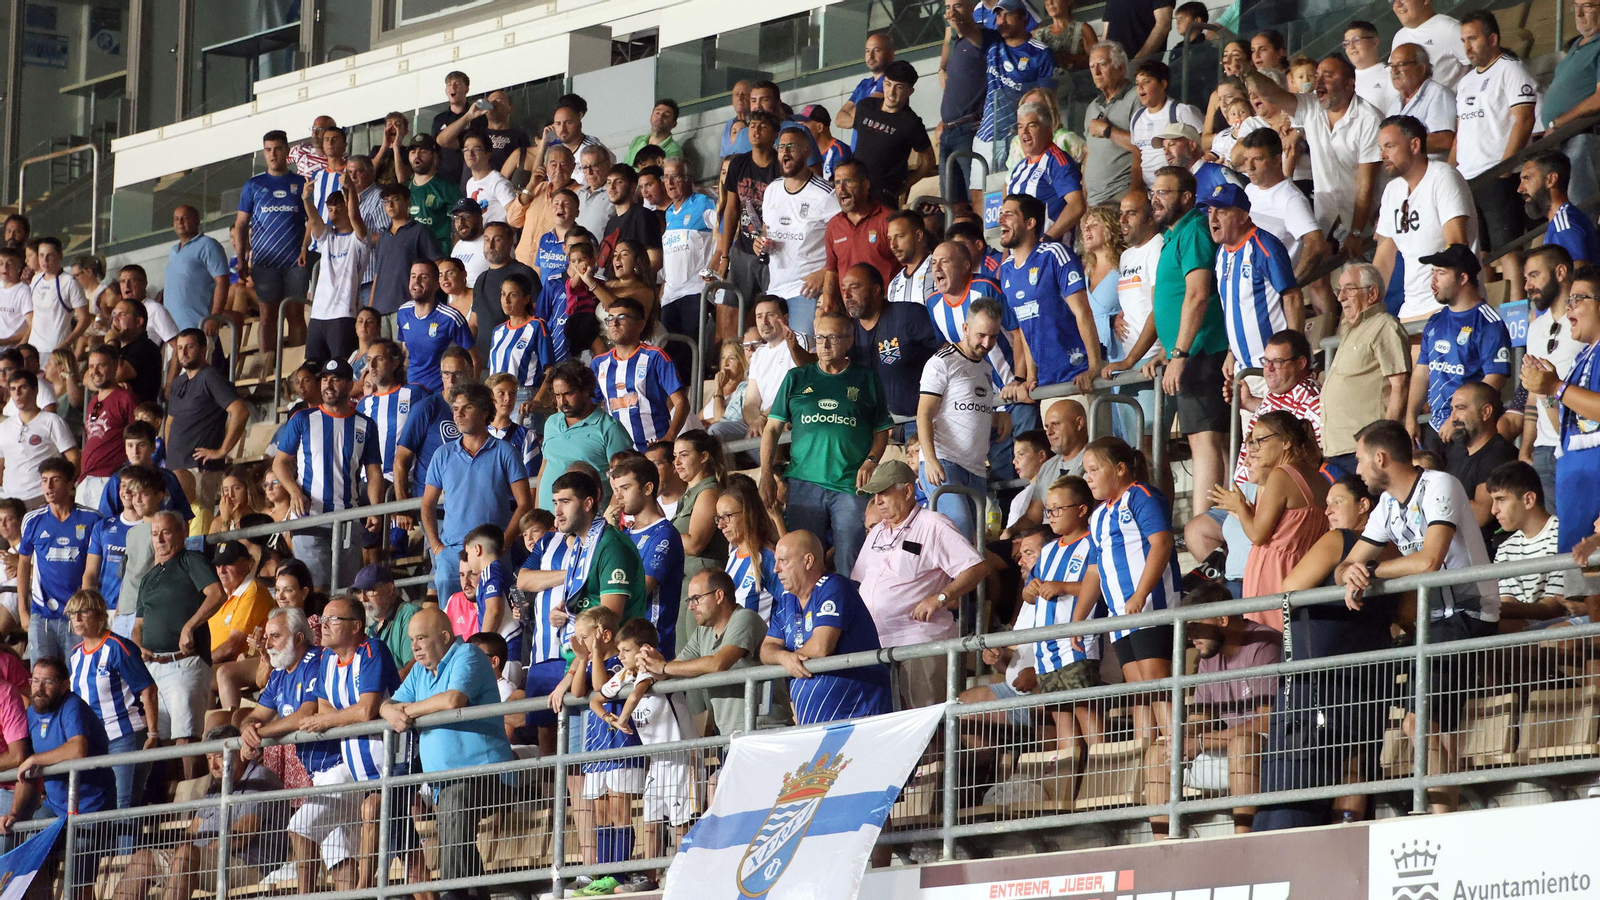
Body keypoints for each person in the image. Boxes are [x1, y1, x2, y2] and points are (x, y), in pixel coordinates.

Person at [1336, 418, 1496, 813]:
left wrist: (1370, 572)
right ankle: (1446, 814)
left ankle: (1441, 816)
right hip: (1433, 619)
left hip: (1468, 611)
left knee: (1416, 724)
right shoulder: (1387, 505)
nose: (1356, 470)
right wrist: (1349, 573)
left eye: (1359, 460)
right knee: (1427, 727)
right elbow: (1346, 564)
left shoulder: (1440, 485)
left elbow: (1429, 561)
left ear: (1380, 458)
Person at [380, 607, 514, 898]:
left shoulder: (468, 655)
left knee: (454, 805)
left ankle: (451, 895)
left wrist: (409, 713)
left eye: (421, 638)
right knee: (453, 818)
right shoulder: (419, 671)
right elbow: (389, 704)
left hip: (488, 775)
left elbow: (454, 699)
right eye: (411, 639)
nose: (414, 646)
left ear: (444, 636)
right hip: (448, 784)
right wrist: (389, 711)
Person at [299, 595, 419, 890]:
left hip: (395, 762)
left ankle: (364, 890)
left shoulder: (372, 650)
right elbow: (325, 706)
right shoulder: (326, 657)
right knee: (410, 854)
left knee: (372, 813)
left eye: (332, 620)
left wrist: (328, 721)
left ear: (355, 626)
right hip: (362, 772)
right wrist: (335, 717)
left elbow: (366, 710)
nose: (323, 626)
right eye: (323, 619)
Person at [760, 312, 891, 578]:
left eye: (833, 337)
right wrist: (765, 472)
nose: (825, 345)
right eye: (820, 337)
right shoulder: (797, 378)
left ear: (849, 340)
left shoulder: (867, 379)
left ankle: (848, 618)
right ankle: (803, 618)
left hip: (850, 486)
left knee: (851, 565)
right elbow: (772, 428)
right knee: (802, 564)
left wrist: (871, 461)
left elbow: (882, 429)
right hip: (804, 482)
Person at [1144, 581, 1278, 838]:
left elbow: (1267, 722)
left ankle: (1244, 839)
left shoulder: (1263, 643)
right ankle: (1161, 845)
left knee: (1243, 744)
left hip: (1269, 750)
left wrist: (1203, 742)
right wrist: (1183, 739)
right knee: (1158, 752)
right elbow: (1199, 717)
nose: (1190, 636)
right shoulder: (1209, 654)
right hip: (1227, 748)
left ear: (1223, 620)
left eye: (1196, 627)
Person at [853, 461, 986, 709]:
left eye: (884, 492)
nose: (878, 500)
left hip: (919, 643)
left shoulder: (934, 524)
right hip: (877, 644)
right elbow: (859, 581)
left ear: (906, 491)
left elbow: (975, 567)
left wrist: (940, 598)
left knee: (929, 726)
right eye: (875, 494)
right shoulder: (876, 533)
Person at [237, 606, 348, 894]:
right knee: (340, 856)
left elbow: (305, 715)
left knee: (300, 827)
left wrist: (257, 735)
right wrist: (248, 728)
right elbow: (256, 714)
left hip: (342, 764)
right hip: (319, 773)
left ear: (299, 638)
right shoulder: (278, 674)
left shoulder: (315, 660)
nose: (268, 643)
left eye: (275, 636)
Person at [110, 723, 287, 900]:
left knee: (186, 855)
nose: (214, 766)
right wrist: (178, 852)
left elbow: (241, 834)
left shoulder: (260, 778)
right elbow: (192, 830)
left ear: (240, 753)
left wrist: (191, 853)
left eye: (219, 756)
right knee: (144, 858)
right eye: (209, 759)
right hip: (198, 861)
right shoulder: (215, 788)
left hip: (248, 866)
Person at [1081, 437, 1182, 743]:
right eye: (1086, 472)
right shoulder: (1098, 515)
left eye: (1094, 469)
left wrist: (1140, 593)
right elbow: (1095, 570)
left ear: (1120, 468)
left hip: (1152, 607)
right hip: (1121, 616)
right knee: (1139, 694)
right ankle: (1146, 766)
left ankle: (1178, 754)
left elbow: (1161, 543)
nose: (1088, 477)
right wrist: (1078, 618)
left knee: (1157, 686)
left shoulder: (1141, 495)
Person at [1146, 165, 1229, 515]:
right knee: (1214, 440)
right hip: (1187, 352)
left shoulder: (1193, 229)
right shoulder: (1173, 235)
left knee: (1204, 439)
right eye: (1154, 192)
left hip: (1201, 351)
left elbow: (1196, 295)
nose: (1155, 199)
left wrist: (1179, 353)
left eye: (1164, 192)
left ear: (1187, 198)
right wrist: (1168, 351)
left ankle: (1205, 524)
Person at [2, 656, 115, 895]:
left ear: (64, 685)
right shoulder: (32, 713)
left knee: (77, 881)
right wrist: (14, 813)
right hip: (54, 807)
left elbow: (77, 749)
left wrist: (34, 759)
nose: (39, 688)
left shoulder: (72, 705)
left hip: (90, 808)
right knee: (30, 863)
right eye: (35, 680)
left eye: (48, 682)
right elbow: (26, 776)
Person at [271, 359, 384, 590]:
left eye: (335, 379)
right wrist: (294, 492)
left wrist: (375, 507)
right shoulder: (302, 419)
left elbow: (374, 473)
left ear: (349, 383)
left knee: (346, 592)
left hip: (348, 520)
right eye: (324, 379)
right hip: (309, 518)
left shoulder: (365, 425)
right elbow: (280, 462)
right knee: (316, 588)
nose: (328, 385)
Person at [762, 530, 892, 724]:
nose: (775, 569)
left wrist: (791, 657)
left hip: (858, 716)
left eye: (784, 561)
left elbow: (821, 647)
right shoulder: (786, 600)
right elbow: (766, 649)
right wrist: (783, 657)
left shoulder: (834, 586)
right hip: (816, 724)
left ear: (808, 561)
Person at [421, 382, 534, 604]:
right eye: (455, 408)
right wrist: (437, 548)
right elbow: (427, 504)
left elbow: (524, 503)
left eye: (467, 407)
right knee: (453, 623)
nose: (459, 414)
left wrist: (504, 543)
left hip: (493, 553)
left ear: (484, 411)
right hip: (452, 554)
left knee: (498, 620)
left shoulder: (505, 451)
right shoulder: (442, 454)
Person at [1214, 410, 1330, 617]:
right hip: (1299, 572)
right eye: (1252, 442)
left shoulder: (1281, 475)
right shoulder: (1318, 478)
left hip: (1272, 574)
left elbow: (1258, 536)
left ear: (1286, 442)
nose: (1254, 449)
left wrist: (1239, 505)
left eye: (1261, 440)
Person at [134, 510, 223, 777]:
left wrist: (189, 626)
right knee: (154, 738)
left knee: (186, 738)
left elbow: (216, 593)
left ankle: (193, 805)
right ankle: (166, 803)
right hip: (152, 668)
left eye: (166, 532)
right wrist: (138, 647)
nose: (159, 539)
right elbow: (138, 625)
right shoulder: (148, 577)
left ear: (182, 532)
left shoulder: (191, 560)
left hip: (184, 663)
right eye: (154, 533)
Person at [1454, 11, 1538, 284]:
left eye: (1473, 38)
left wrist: (1504, 169)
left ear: (1492, 38)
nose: (1467, 46)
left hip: (1497, 174)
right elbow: (1460, 131)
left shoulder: (1510, 69)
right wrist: (1448, 173)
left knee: (1508, 248)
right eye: (1464, 40)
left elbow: (1524, 119)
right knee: (1479, 253)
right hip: (1467, 179)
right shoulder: (1465, 82)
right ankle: (1490, 308)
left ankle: (1515, 309)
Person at [995, 193, 1102, 407]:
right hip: (1045, 383)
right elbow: (1025, 327)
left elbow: (1083, 312)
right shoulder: (1006, 270)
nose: (1000, 220)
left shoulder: (1054, 254)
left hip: (1077, 376)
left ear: (1030, 223)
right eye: (1000, 214)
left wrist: (1094, 366)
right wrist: (1031, 377)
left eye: (1009, 214)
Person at [919, 298, 1009, 540]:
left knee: (974, 543)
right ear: (965, 329)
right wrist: (930, 459)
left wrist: (1000, 416)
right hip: (945, 463)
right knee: (960, 533)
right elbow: (924, 413)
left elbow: (971, 410)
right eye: (981, 335)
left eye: (993, 336)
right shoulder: (942, 362)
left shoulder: (985, 369)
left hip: (976, 469)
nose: (987, 343)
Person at [1374, 115, 1478, 321]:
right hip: (1411, 309)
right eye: (1381, 148)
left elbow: (1457, 245)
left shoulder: (1443, 177)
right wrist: (1367, 297)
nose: (1383, 155)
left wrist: (1447, 305)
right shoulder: (1392, 190)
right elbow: (1385, 255)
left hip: (1449, 306)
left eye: (1390, 146)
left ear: (1414, 145)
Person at [1406, 245, 1510, 445]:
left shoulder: (1488, 322)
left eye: (1441, 273)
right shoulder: (1435, 321)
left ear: (1463, 279)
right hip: (1434, 426)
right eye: (1433, 273)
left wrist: (1456, 419)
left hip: (1468, 429)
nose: (1433, 281)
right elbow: (1422, 373)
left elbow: (1494, 379)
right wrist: (1411, 417)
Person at [65, 588, 156, 815]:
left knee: (123, 806)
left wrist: (153, 733)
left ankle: (127, 851)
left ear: (98, 615)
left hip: (123, 736)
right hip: (94, 742)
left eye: (82, 612)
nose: (76, 619)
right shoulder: (75, 655)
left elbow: (148, 688)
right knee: (101, 807)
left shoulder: (118, 647)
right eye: (72, 613)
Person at [1202, 184, 1304, 378]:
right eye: (1209, 211)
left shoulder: (1264, 247)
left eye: (1221, 212)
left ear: (1242, 216)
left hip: (1275, 369)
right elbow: (1234, 307)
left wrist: (1292, 355)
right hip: (1244, 369)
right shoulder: (1222, 254)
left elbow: (1292, 297)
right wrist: (1232, 352)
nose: (1213, 219)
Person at [1322, 262, 1412, 472]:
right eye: (1339, 289)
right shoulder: (1350, 329)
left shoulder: (1384, 325)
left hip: (1364, 451)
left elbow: (1400, 385)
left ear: (1372, 293)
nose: (1340, 297)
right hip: (1338, 450)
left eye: (1349, 289)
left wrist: (1385, 441)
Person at [1518, 245, 1587, 501]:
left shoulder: (1587, 321)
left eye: (1534, 276)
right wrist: (1526, 447)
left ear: (1560, 272)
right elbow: (1532, 392)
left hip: (1581, 444)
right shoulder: (1535, 329)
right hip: (1544, 450)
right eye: (1525, 278)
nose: (1527, 285)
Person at [758, 128, 838, 342]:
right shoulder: (772, 190)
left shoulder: (824, 194)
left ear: (806, 151)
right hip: (775, 290)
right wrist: (762, 242)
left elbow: (843, 240)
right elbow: (767, 228)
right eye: (781, 147)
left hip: (806, 291)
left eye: (791, 146)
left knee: (803, 351)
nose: (785, 152)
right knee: (777, 358)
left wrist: (824, 273)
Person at [236, 130, 310, 359]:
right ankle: (267, 366)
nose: (273, 154)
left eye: (278, 149)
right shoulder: (253, 185)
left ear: (287, 151)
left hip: (295, 261)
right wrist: (241, 257)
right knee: (267, 316)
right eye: (268, 150)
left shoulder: (300, 182)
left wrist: (305, 247)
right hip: (264, 262)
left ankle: (298, 366)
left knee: (295, 313)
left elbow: (312, 220)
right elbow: (240, 224)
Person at [166, 329, 251, 512]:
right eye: (180, 348)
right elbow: (170, 420)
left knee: (198, 525)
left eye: (189, 347)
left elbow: (240, 412)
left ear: (203, 350)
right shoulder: (178, 382)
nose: (184, 352)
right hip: (175, 468)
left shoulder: (210, 377)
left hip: (200, 469)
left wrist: (221, 451)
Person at [844, 262, 941, 420]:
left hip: (921, 420)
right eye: (843, 289)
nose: (847, 295)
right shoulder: (848, 331)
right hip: (877, 427)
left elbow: (948, 356)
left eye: (854, 288)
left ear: (876, 290)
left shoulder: (908, 315)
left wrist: (929, 422)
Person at [610, 457, 685, 656]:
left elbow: (643, 587)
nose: (619, 497)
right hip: (622, 646)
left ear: (648, 488)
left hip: (651, 645)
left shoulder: (664, 533)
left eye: (625, 488)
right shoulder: (622, 535)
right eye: (616, 490)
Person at [535, 361, 634, 511]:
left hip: (587, 525)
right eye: (557, 395)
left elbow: (624, 482)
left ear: (586, 390)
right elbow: (544, 469)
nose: (562, 402)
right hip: (548, 525)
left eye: (568, 393)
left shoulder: (610, 429)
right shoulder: (551, 422)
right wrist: (538, 514)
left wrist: (608, 519)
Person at [591, 297, 686, 452]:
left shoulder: (655, 357)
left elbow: (681, 402)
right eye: (610, 319)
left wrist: (669, 438)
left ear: (640, 325)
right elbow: (593, 404)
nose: (614, 323)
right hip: (619, 451)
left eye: (622, 318)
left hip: (654, 448)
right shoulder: (599, 363)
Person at [1483, 461, 1571, 623]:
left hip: (1561, 631)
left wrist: (1483, 606)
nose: (1493, 510)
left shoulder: (1564, 537)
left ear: (1529, 500)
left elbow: (1554, 609)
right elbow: (1508, 606)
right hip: (1526, 633)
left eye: (1501, 499)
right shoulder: (1505, 549)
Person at [1235, 129, 1327, 270]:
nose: (1249, 167)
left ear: (1278, 159)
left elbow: (1316, 244)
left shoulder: (1291, 199)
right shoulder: (1250, 189)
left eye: (1258, 159)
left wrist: (1293, 283)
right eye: (1246, 159)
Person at [1442, 381, 1519, 547]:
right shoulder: (1457, 453)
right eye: (1452, 409)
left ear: (1486, 412)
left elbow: (1480, 515)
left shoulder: (1500, 453)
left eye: (1461, 408)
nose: (1453, 417)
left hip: (1487, 554)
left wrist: (1437, 497)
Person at [715, 109, 780, 307]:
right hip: (742, 248)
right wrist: (725, 255)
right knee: (731, 310)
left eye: (762, 127)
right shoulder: (738, 164)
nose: (756, 130)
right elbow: (731, 209)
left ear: (775, 133)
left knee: (772, 308)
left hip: (773, 251)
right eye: (752, 126)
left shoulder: (780, 167)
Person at [848, 60, 935, 206]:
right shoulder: (865, 107)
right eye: (888, 84)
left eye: (899, 87)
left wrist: (905, 186)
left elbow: (929, 160)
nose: (891, 92)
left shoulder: (911, 123)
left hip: (883, 196)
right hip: (855, 190)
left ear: (909, 91)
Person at [301, 186, 368, 362]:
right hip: (318, 314)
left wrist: (350, 190)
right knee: (312, 368)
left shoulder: (360, 239)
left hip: (344, 314)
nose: (334, 214)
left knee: (341, 368)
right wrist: (306, 199)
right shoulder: (327, 236)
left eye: (340, 208)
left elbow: (355, 217)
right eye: (330, 209)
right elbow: (314, 222)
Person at [823, 160, 900, 311]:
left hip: (886, 308)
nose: (841, 189)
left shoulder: (888, 220)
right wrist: (828, 303)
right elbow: (832, 271)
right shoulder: (834, 226)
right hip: (851, 311)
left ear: (866, 185)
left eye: (848, 181)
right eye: (837, 183)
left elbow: (908, 265)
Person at [1008, 101, 1088, 243]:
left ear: (1048, 128)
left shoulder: (1056, 161)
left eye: (1031, 125)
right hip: (1020, 258)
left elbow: (1076, 205)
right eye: (1020, 127)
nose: (1024, 132)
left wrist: (1046, 239)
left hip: (1049, 255)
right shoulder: (1020, 167)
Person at [367, 181, 444, 317]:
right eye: (386, 201)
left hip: (408, 306)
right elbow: (377, 276)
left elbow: (437, 266)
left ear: (407, 201)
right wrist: (371, 309)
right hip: (380, 309)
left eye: (395, 199)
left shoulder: (420, 231)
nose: (390, 205)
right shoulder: (383, 237)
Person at [398, 259, 475, 393]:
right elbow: (406, 352)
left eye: (424, 277)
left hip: (441, 394)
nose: (417, 281)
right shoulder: (403, 312)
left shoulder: (451, 318)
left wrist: (467, 394)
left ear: (436, 284)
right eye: (413, 276)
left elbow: (473, 359)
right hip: (412, 391)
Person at [0, 371, 77, 505]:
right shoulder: (4, 426)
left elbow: (74, 458)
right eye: (13, 389)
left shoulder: (52, 421)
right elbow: (1, 464)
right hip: (9, 498)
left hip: (40, 497)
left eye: (22, 388)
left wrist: (62, 490)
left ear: (35, 390)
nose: (17, 393)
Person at [1129, 61, 1205, 192]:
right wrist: (1135, 190)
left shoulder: (1181, 111)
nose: (1140, 87)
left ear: (1163, 84)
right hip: (1150, 191)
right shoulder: (1136, 117)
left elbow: (1204, 145)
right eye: (1137, 84)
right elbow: (1137, 158)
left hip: (1179, 188)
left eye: (1146, 82)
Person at [1084, 42, 1141, 207]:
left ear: (1121, 68)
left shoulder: (1136, 97)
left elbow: (1145, 144)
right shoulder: (1092, 107)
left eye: (1102, 64)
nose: (1096, 72)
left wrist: (1108, 130)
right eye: (1092, 66)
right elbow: (1089, 154)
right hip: (1093, 201)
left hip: (1121, 194)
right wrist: (1085, 200)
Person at [669, 430, 727, 592]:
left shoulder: (708, 492)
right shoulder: (689, 494)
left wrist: (659, 531)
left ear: (703, 457)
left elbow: (695, 544)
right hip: (686, 579)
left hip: (703, 583)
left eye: (684, 455)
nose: (677, 462)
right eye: (675, 456)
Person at [1521, 152, 1600, 267]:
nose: (1520, 188)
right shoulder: (1562, 221)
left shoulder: (1564, 226)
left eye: (1527, 178)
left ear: (1551, 180)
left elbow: (1579, 277)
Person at [164, 205, 231, 334]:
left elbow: (222, 281)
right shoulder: (173, 251)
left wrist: (215, 317)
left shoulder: (208, 245)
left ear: (197, 221)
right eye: (176, 219)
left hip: (199, 327)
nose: (180, 222)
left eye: (185, 218)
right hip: (174, 330)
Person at [208, 540, 272, 672]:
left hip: (240, 666)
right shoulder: (220, 593)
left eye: (228, 563)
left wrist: (200, 663)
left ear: (245, 564)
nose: (221, 570)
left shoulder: (252, 591)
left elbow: (232, 646)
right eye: (218, 565)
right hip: (214, 663)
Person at [472, 222, 539, 346]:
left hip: (514, 355)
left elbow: (537, 316)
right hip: (483, 359)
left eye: (497, 240)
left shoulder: (524, 274)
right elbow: (474, 323)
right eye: (487, 240)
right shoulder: (481, 278)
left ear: (510, 242)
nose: (490, 245)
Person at [1386, 43, 1456, 161]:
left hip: (1433, 174)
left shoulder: (1438, 94)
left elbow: (1444, 140)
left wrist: (1402, 143)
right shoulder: (1394, 105)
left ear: (1421, 69)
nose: (1394, 71)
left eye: (1401, 65)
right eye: (1391, 66)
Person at [596, 164, 663, 273]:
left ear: (632, 187)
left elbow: (654, 258)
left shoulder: (642, 215)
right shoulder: (611, 223)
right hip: (611, 286)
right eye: (608, 182)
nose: (612, 187)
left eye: (619, 182)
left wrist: (633, 282)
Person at [405, 133, 464, 249]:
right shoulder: (404, 189)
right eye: (412, 152)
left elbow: (459, 225)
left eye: (423, 151)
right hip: (412, 253)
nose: (417, 155)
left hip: (439, 253)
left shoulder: (447, 188)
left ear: (435, 156)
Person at [1391, 0, 1468, 89]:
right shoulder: (1399, 36)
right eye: (1393, 1)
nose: (1398, 4)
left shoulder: (1449, 28)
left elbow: (1478, 66)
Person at [835, 32, 895, 135]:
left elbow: (864, 111)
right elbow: (839, 119)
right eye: (867, 51)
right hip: (857, 150)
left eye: (877, 50)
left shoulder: (891, 82)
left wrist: (855, 117)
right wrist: (863, 120)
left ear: (890, 54)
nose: (870, 56)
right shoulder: (864, 84)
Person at [106, 299, 165, 404]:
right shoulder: (117, 346)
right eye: (114, 314)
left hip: (137, 415)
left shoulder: (147, 348)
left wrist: (111, 342)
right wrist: (111, 384)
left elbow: (114, 374)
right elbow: (88, 378)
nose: (115, 318)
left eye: (122, 314)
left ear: (139, 322)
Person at [1346, 20, 1400, 112]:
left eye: (1356, 40)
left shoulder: (1392, 73)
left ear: (1374, 42)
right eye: (1346, 43)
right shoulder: (1344, 79)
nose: (1351, 47)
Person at [625, 99, 684, 166]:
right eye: (657, 113)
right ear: (651, 118)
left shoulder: (674, 150)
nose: (660, 117)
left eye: (666, 115)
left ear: (674, 124)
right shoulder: (637, 141)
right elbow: (625, 169)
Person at [449, 199, 490, 288]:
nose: (461, 222)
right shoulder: (458, 246)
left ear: (480, 218)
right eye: (456, 218)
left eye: (466, 216)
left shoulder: (490, 243)